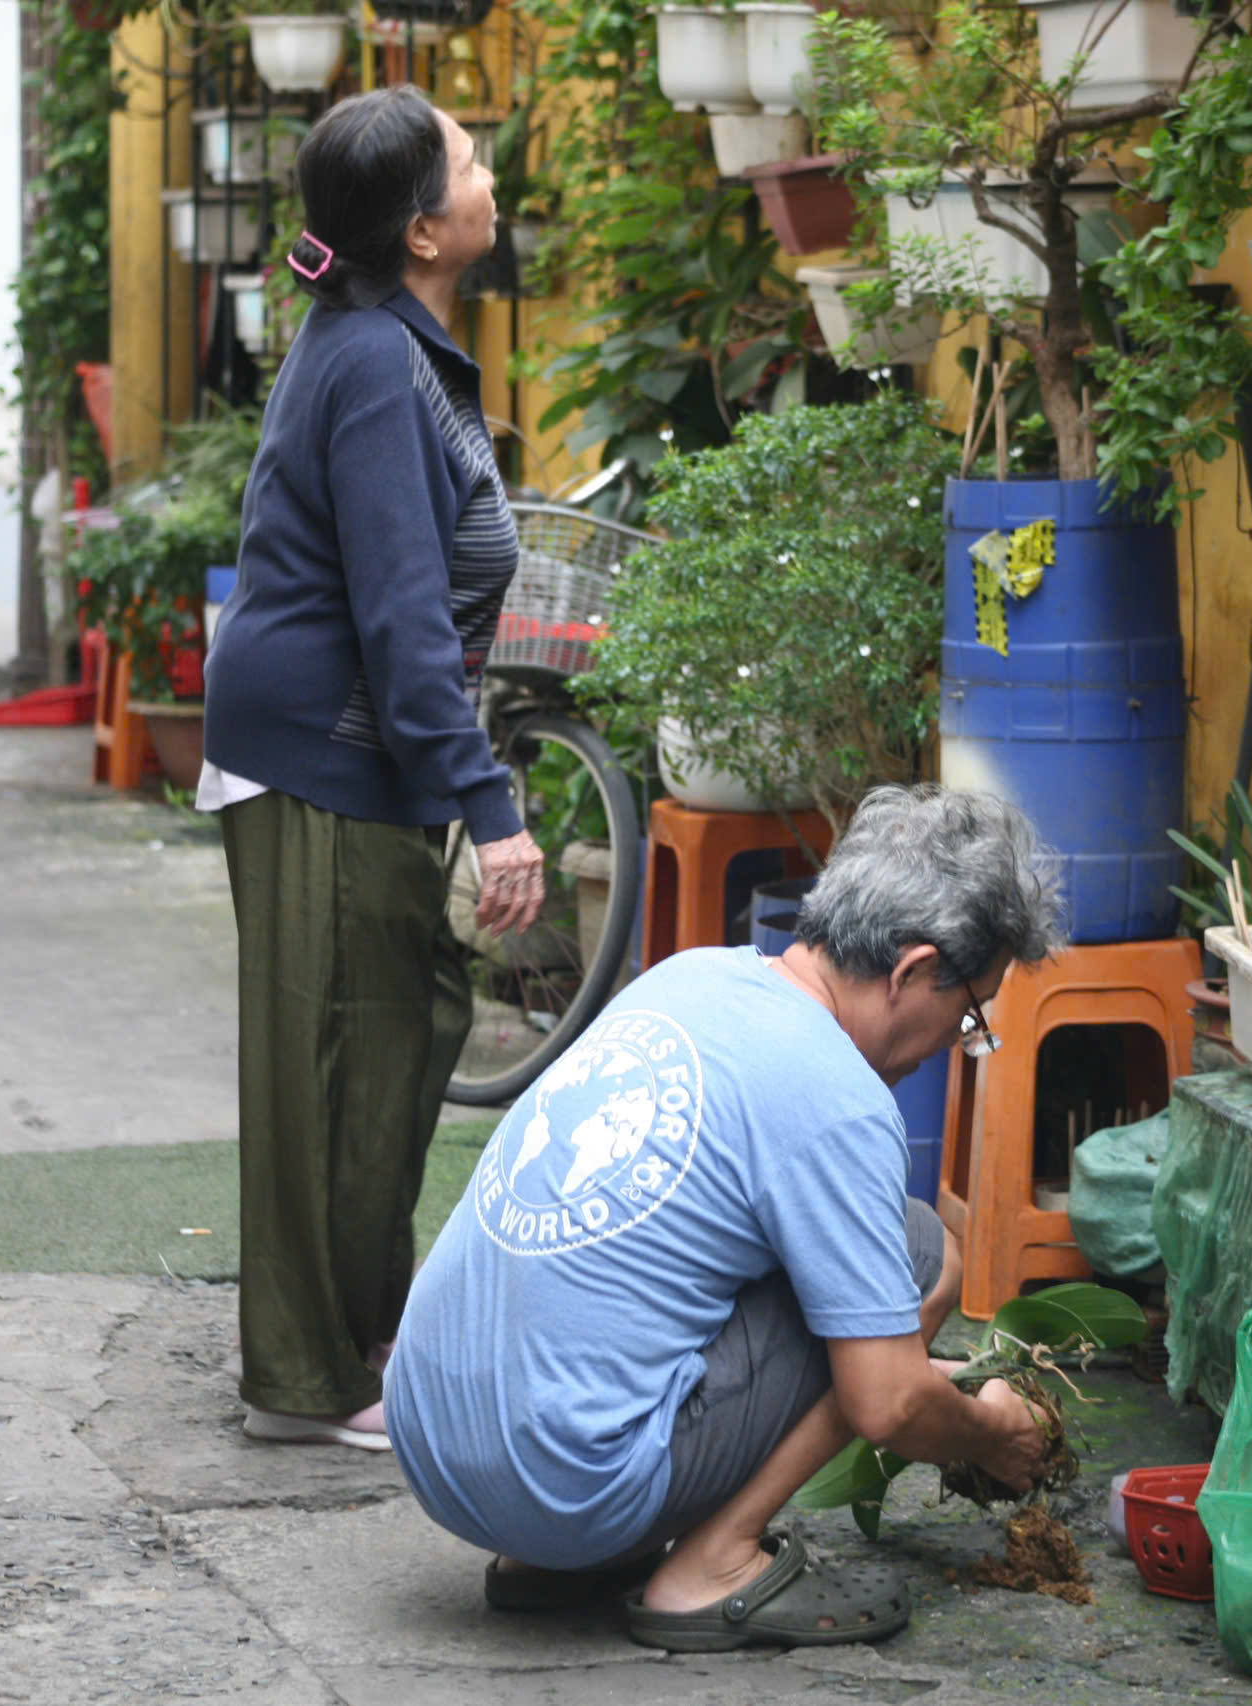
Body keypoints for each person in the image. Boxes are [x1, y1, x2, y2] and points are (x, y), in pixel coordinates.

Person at [385, 785, 1066, 1650]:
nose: (957, 1039)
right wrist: (989, 1433)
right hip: (563, 1483)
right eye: (969, 1014)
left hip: (431, 1437)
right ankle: (711, 1563)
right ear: (910, 972)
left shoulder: (691, 973)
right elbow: (890, 1404)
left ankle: (555, 1563)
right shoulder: (838, 1099)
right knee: (920, 1252)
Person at [200, 85, 540, 1453]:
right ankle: (314, 1375)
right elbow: (401, 615)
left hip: (344, 746)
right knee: (341, 1057)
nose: (489, 170)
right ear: (422, 229)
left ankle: (355, 1331)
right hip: (320, 753)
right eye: (468, 161)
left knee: (390, 1034)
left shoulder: (387, 343)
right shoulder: (376, 365)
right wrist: (495, 811)